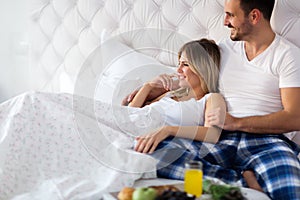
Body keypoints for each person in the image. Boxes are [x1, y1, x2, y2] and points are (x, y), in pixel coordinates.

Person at [0, 39, 225, 199]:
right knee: (34, 103)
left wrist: (168, 129)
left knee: (37, 104)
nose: (178, 70)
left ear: (202, 66)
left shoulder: (211, 99)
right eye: (179, 63)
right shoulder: (171, 94)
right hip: (120, 120)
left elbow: (213, 134)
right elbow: (131, 112)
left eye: (185, 64)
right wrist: (149, 86)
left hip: (125, 130)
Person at [123, 0, 300, 199]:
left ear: (254, 16)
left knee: (290, 186)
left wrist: (236, 122)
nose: (225, 22)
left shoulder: (288, 55)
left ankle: (238, 179)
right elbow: (193, 78)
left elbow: (295, 118)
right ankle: (241, 181)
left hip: (267, 142)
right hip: (220, 137)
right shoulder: (223, 49)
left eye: (230, 15)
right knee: (151, 150)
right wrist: (152, 90)